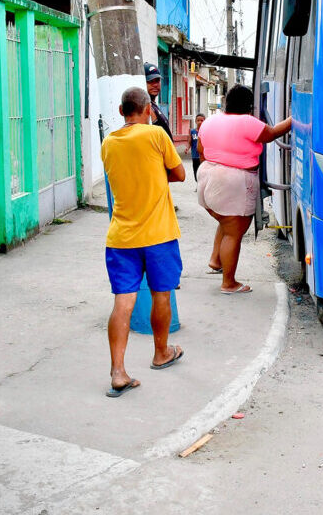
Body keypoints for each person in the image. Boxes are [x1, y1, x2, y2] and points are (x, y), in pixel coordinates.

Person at [101, 86, 186, 397]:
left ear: (123, 112)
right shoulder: (156, 136)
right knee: (160, 294)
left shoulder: (109, 143)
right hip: (158, 234)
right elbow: (179, 174)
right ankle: (161, 352)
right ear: (148, 110)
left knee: (123, 302)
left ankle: (118, 371)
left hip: (121, 236)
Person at [197, 85, 292, 294]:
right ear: (249, 107)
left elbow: (200, 150)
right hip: (233, 178)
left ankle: (215, 260)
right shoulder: (247, 122)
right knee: (234, 231)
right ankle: (228, 283)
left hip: (206, 175)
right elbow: (272, 133)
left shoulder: (211, 120)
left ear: (226, 103)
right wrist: (296, 118)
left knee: (226, 219)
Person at [144, 62, 173, 140]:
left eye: (157, 81)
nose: (155, 85)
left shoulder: (153, 105)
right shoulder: (145, 107)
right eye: (150, 81)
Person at [185, 113, 206, 182]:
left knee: (203, 171)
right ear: (195, 121)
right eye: (198, 120)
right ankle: (198, 184)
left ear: (204, 121)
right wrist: (187, 148)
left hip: (203, 156)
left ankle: (202, 184)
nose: (200, 122)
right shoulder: (192, 131)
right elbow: (189, 142)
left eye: (202, 120)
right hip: (195, 156)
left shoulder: (206, 131)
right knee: (196, 171)